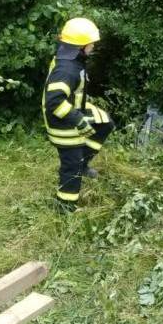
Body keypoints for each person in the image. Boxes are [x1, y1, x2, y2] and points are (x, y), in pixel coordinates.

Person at [42, 17, 114, 211]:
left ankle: (83, 163)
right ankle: (65, 207)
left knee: (105, 122)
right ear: (80, 46)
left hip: (74, 108)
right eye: (91, 43)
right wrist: (79, 120)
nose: (93, 46)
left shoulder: (72, 59)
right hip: (62, 122)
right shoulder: (67, 69)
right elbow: (54, 102)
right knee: (70, 167)